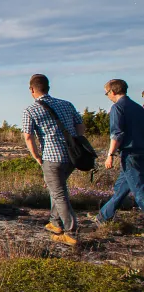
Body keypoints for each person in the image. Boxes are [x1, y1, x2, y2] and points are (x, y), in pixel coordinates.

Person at [21, 73, 85, 246]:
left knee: (58, 193)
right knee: (58, 189)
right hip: (72, 156)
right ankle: (55, 223)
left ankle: (71, 232)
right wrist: (77, 141)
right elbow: (80, 125)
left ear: (32, 89)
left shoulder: (31, 110)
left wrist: (36, 156)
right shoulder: (66, 104)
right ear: (48, 87)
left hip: (51, 156)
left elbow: (28, 136)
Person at [94, 79, 144, 225]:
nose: (107, 96)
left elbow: (117, 134)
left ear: (113, 91)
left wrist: (110, 155)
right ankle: (103, 217)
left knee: (139, 191)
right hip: (141, 151)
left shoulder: (117, 108)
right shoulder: (138, 108)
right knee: (122, 189)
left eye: (107, 93)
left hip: (130, 154)